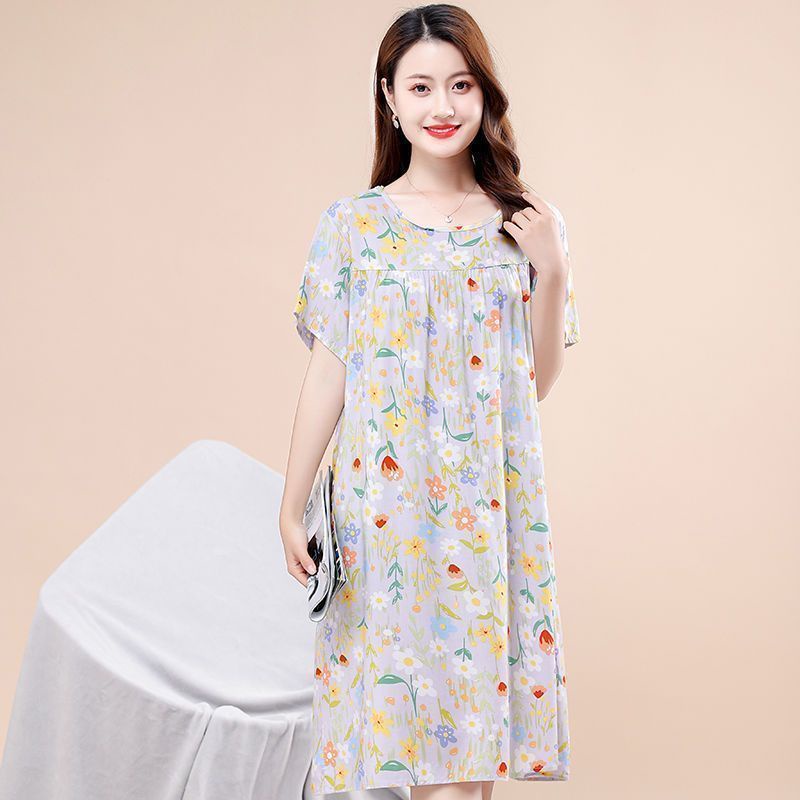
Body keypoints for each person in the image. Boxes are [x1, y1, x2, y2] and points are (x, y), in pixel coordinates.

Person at [279, 4, 582, 798]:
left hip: (487, 509)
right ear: (389, 98)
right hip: (385, 512)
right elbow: (329, 374)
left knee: (470, 765)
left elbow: (533, 385)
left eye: (460, 85)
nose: (442, 105)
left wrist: (550, 270)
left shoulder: (528, 224)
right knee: (415, 752)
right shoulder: (353, 226)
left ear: (484, 94)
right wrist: (292, 503)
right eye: (420, 87)